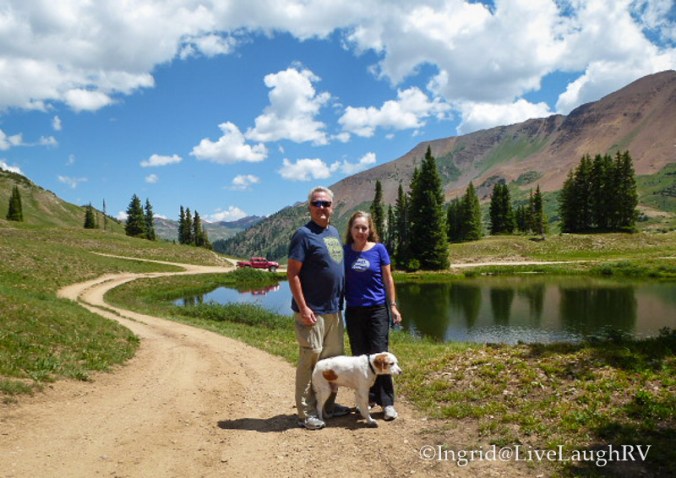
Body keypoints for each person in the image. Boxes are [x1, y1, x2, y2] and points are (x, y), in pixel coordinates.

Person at [287, 186, 351, 430]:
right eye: (317, 203)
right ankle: (306, 413)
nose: (321, 207)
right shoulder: (303, 235)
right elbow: (292, 274)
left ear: (332, 207)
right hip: (312, 311)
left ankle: (328, 406)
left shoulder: (333, 232)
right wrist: (303, 308)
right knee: (310, 360)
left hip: (334, 310)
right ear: (310, 207)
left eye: (325, 203)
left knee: (331, 361)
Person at [343, 211, 402, 421]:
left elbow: (388, 279)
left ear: (370, 230)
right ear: (350, 230)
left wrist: (393, 306)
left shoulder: (379, 250)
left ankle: (387, 403)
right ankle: (366, 399)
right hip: (354, 310)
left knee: (380, 355)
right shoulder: (345, 252)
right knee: (360, 357)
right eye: (357, 227)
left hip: (377, 309)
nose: (360, 231)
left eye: (364, 228)